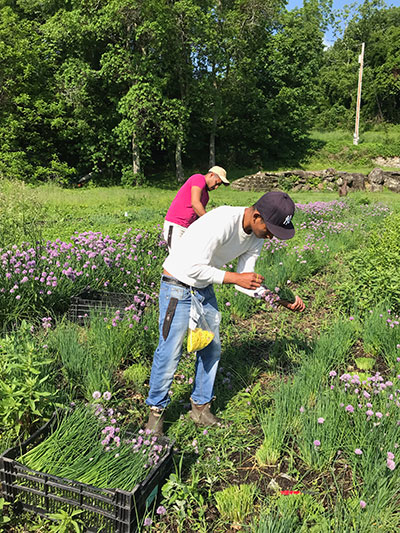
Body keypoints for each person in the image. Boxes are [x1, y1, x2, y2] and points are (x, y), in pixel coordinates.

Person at [145, 191, 305, 435]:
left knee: (211, 347)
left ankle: (200, 408)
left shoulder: (257, 236)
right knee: (170, 351)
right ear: (257, 215)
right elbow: (192, 267)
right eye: (271, 229)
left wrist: (278, 299)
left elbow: (245, 280)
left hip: (203, 284)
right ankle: (155, 416)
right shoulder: (221, 221)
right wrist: (233, 278)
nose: (271, 236)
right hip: (177, 283)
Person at [164, 166, 229, 251]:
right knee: (176, 257)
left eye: (219, 185)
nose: (216, 187)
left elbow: (198, 215)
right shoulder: (198, 179)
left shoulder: (206, 196)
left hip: (188, 228)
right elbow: (195, 203)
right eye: (216, 183)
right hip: (176, 225)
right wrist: (211, 221)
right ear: (211, 175)